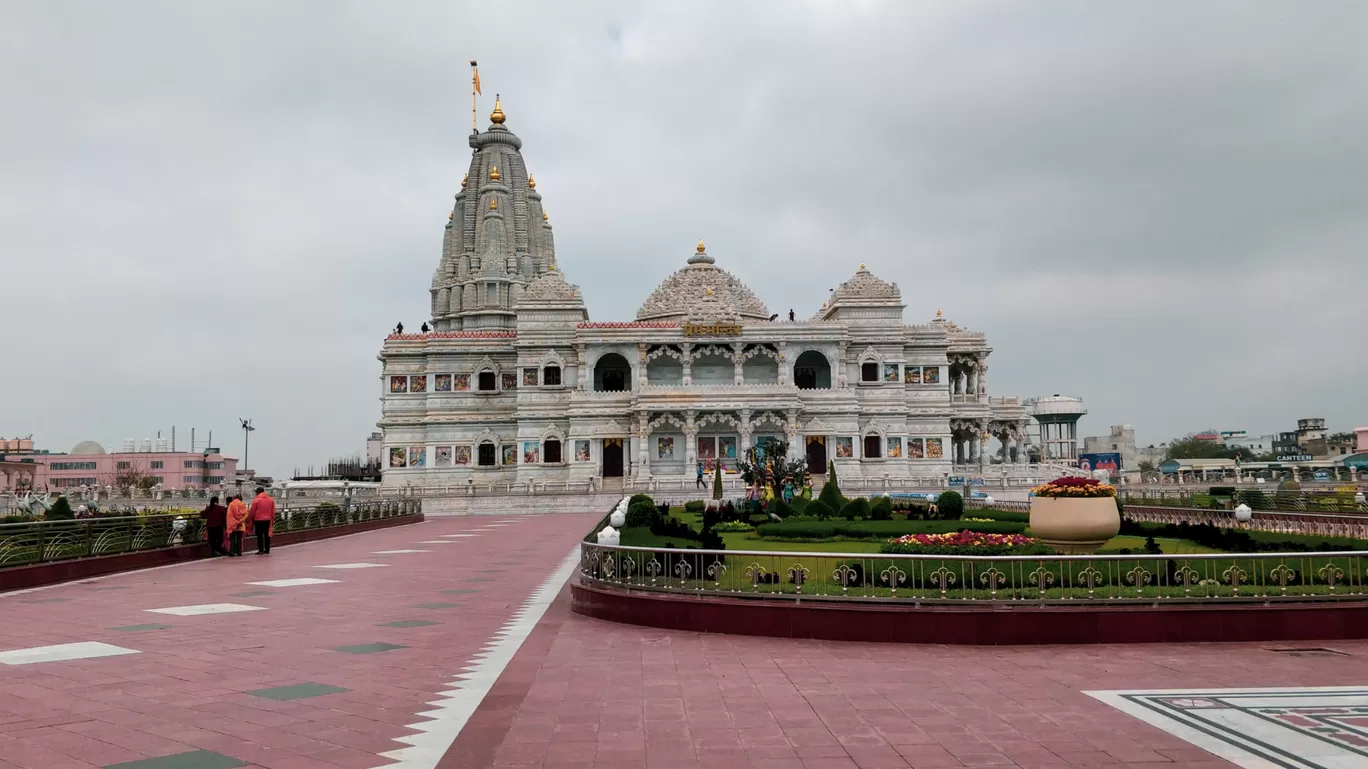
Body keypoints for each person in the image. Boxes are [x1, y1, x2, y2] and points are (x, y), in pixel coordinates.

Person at [248, 486, 276, 555]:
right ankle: (267, 549)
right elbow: (273, 511)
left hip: (258, 520)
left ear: (258, 492)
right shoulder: (270, 500)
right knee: (267, 535)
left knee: (259, 535)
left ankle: (260, 550)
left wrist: (249, 519)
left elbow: (252, 511)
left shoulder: (256, 500)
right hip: (268, 520)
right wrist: (273, 519)